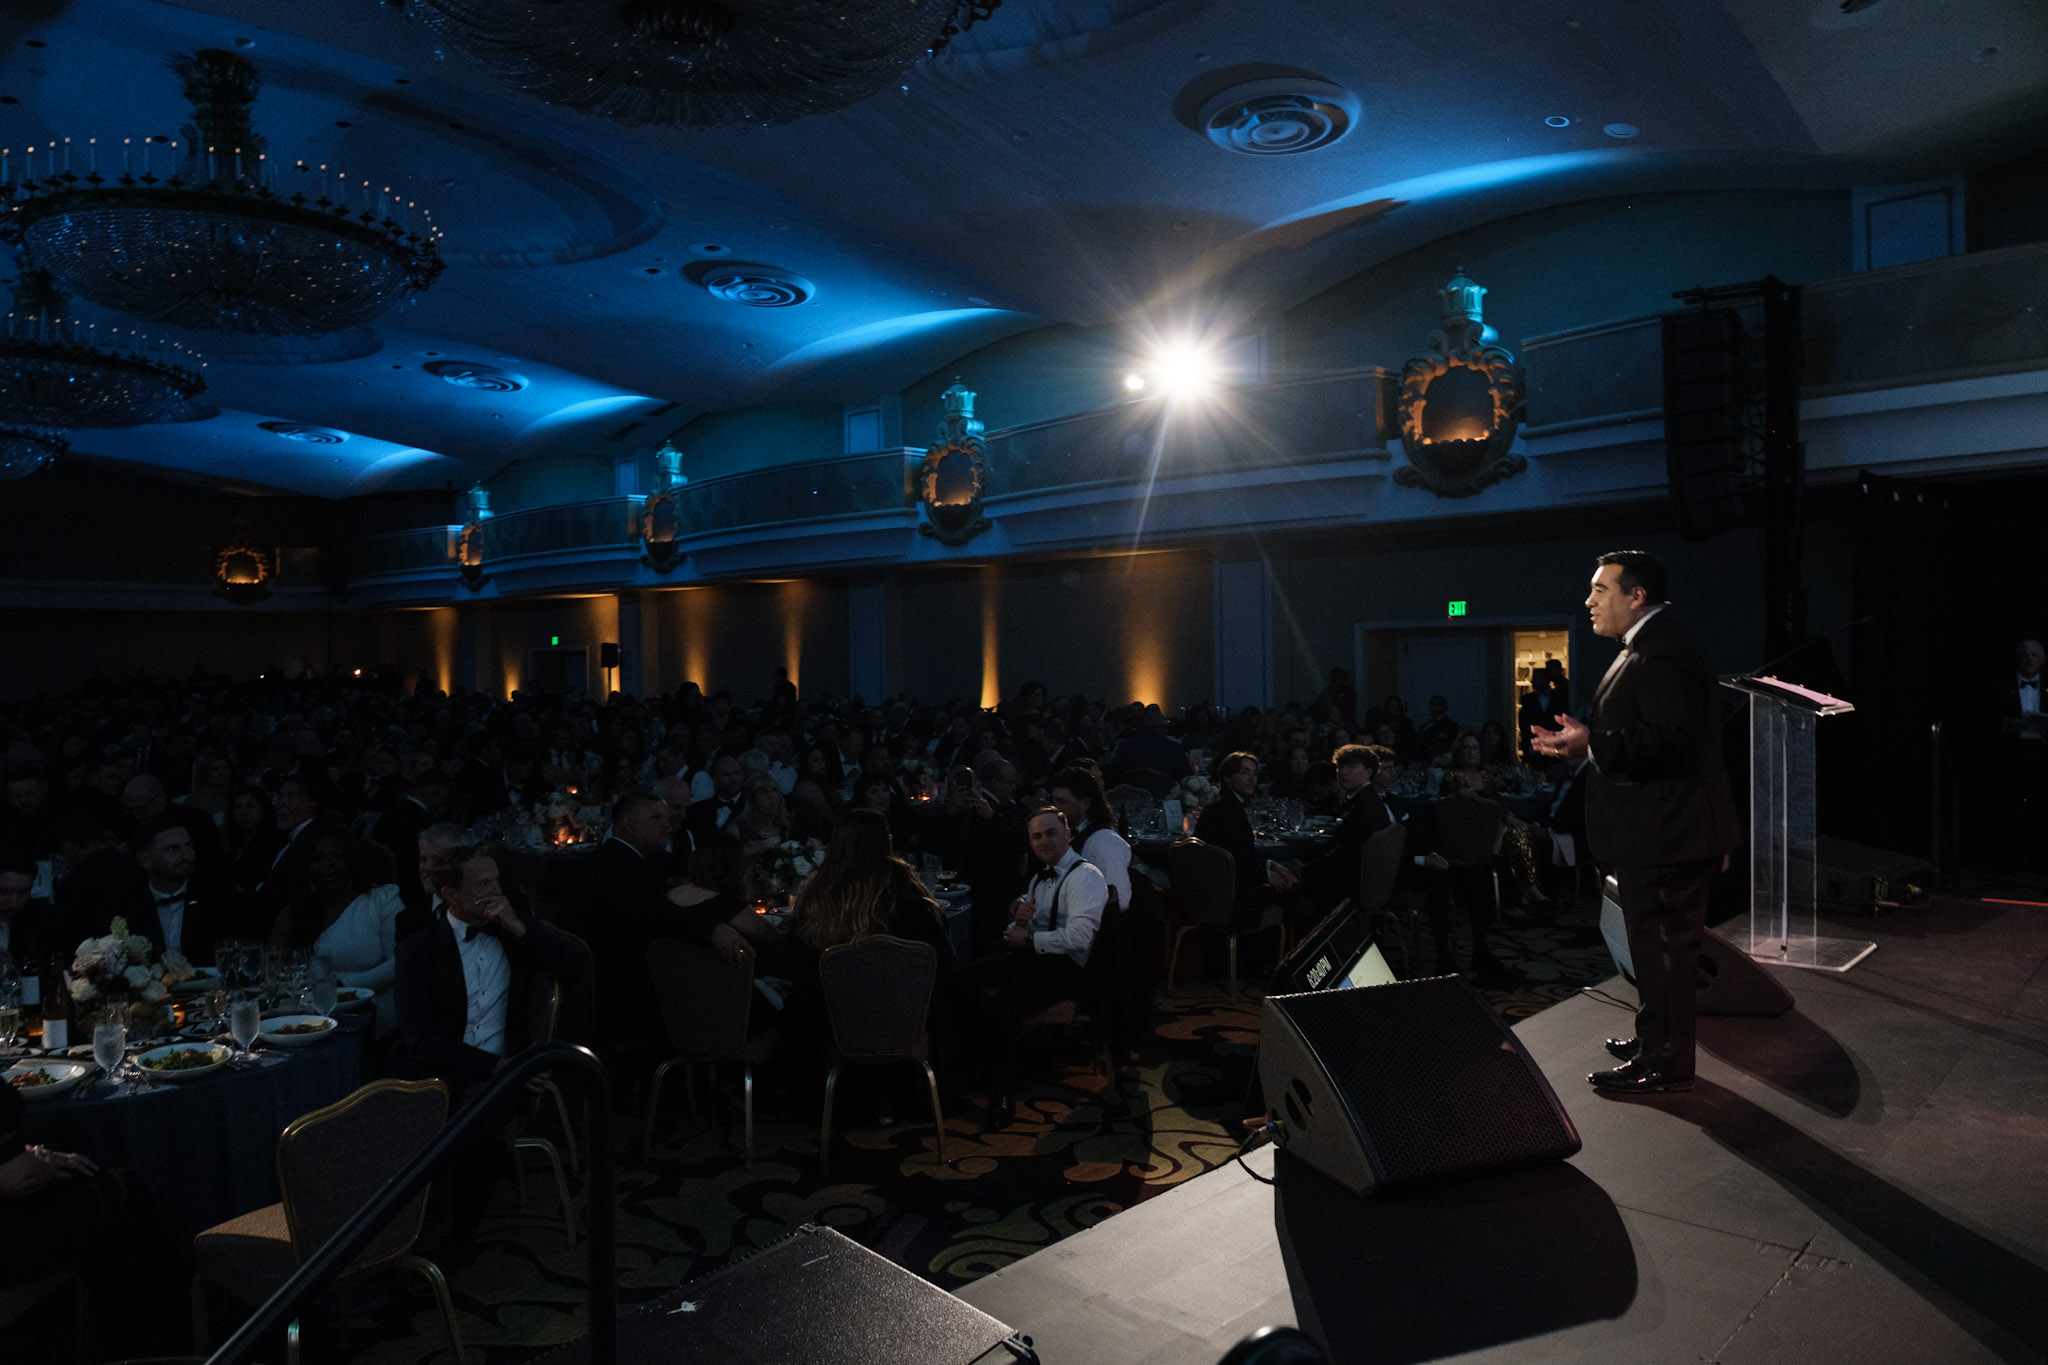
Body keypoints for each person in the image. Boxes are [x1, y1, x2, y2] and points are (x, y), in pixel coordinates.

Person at [1532, 550, 1738, 1094]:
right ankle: (1656, 1040)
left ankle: (1664, 1061)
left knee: (1665, 948)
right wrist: (1586, 743)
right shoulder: (1649, 646)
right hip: (1658, 829)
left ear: (1637, 595)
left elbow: (1672, 739)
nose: (1589, 601)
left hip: (1670, 831)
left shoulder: (1665, 651)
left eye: (1600, 590)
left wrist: (1591, 743)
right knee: (1652, 946)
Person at [393, 843, 584, 1251]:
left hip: (508, 1072)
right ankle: (392, 1236)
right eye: (482, 884)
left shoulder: (513, 930)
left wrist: (519, 927)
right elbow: (421, 1039)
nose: (495, 890)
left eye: (496, 880)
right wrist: (496, 1066)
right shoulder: (418, 949)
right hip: (449, 1068)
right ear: (450, 894)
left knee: (480, 1119)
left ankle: (460, 1240)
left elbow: (575, 967)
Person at [957, 807, 1106, 1128]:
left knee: (1003, 1005)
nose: (1044, 841)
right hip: (1033, 958)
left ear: (1068, 834)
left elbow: (1079, 939)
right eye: (1036, 836)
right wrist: (1018, 923)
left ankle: (1002, 1095)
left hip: (1068, 970)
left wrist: (1028, 939)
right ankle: (971, 1071)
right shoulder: (1040, 877)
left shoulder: (1086, 876)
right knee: (960, 980)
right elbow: (1027, 927)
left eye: (1051, 833)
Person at [271, 825, 405, 1035]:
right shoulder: (293, 915)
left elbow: (400, 961)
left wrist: (340, 985)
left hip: (377, 1016)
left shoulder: (382, 900)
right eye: (318, 858)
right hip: (310, 1019)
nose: (328, 864)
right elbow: (275, 973)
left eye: (337, 856)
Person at [1048, 766, 1132, 912]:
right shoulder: (1065, 835)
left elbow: (1119, 900)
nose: (1055, 808)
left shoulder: (1104, 841)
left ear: (1085, 804)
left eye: (1062, 802)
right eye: (1053, 801)